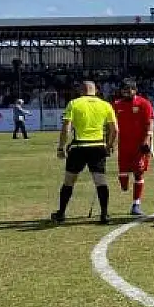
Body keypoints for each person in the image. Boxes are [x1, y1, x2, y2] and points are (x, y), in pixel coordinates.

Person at [51, 81, 118, 224]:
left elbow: (66, 127)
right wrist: (110, 145)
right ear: (96, 90)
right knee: (100, 181)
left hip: (79, 147)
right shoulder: (106, 105)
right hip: (98, 146)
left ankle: (61, 213)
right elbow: (115, 129)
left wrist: (61, 147)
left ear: (81, 90)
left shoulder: (74, 104)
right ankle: (104, 214)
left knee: (69, 181)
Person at [112, 79, 154, 216]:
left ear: (135, 90)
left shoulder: (144, 103)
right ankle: (125, 186)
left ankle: (136, 204)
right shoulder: (116, 105)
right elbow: (111, 125)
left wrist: (147, 140)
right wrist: (109, 142)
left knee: (138, 173)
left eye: (128, 89)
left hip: (140, 146)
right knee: (123, 176)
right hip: (123, 145)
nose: (125, 92)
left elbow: (150, 123)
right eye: (123, 89)